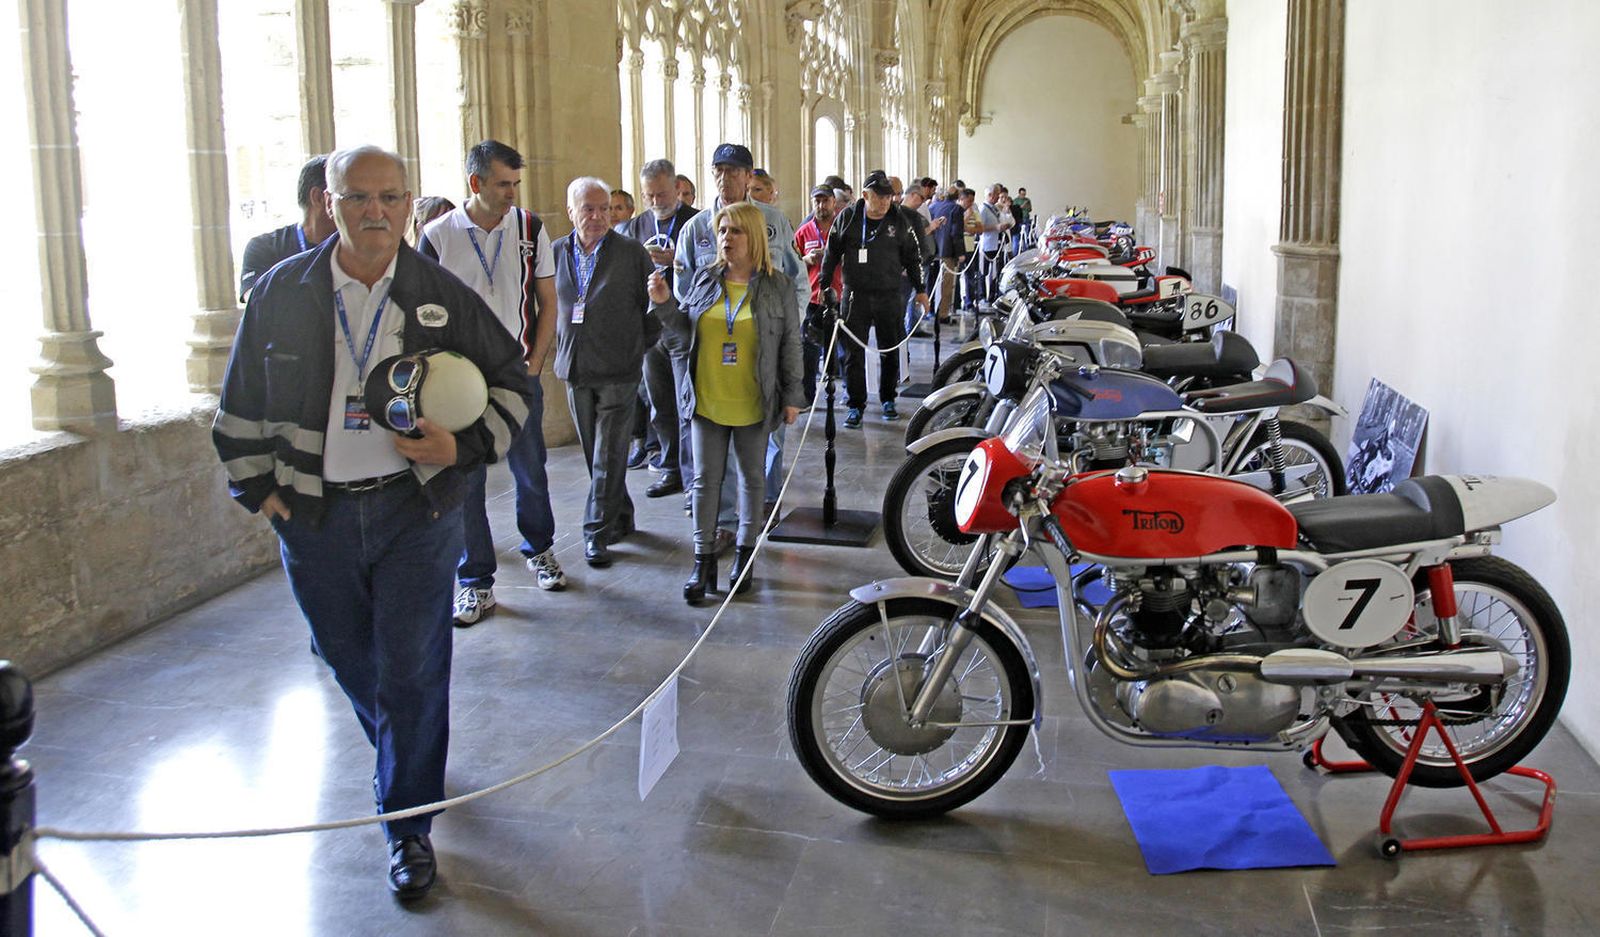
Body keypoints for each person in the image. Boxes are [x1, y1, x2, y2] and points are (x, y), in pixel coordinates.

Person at [212, 145, 533, 900]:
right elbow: (236, 409)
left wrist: (465, 446)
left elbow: (512, 381)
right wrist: (260, 493)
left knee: (415, 668)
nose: (376, 211)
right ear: (330, 201)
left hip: (413, 510)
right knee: (350, 659)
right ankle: (406, 751)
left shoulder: (438, 292)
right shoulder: (281, 291)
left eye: (391, 196)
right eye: (359, 197)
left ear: (409, 199)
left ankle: (408, 827)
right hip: (313, 516)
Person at [419, 140, 566, 627]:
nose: (511, 193)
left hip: (517, 376)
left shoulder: (529, 228)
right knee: (466, 482)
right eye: (503, 184)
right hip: (459, 386)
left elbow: (548, 300)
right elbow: (421, 314)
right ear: (476, 183)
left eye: (515, 184)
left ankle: (540, 549)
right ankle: (476, 581)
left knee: (531, 470)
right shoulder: (438, 236)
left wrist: (534, 363)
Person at [648, 201, 803, 603]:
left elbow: (790, 344)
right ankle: (703, 561)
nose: (726, 239)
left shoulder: (778, 286)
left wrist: (793, 396)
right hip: (707, 396)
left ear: (753, 237)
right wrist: (665, 304)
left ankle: (744, 557)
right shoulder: (704, 279)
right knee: (704, 481)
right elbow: (683, 338)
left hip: (754, 397)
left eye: (735, 231)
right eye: (721, 231)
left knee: (751, 479)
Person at [552, 178, 657, 567]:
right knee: (594, 453)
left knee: (609, 453)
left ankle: (595, 532)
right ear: (571, 212)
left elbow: (654, 309)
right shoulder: (555, 252)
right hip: (575, 367)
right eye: (588, 209)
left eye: (604, 209)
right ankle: (622, 515)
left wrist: (634, 351)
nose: (597, 217)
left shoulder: (630, 253)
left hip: (619, 370)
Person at [620, 158, 701, 501]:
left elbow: (711, 270)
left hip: (684, 322)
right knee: (659, 400)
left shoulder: (696, 223)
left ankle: (693, 474)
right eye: (649, 195)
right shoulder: (634, 227)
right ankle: (669, 466)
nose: (656, 201)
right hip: (650, 326)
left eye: (662, 193)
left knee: (688, 401)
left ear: (677, 190)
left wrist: (677, 263)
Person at [820, 170, 928, 427]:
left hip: (889, 294)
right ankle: (855, 403)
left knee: (889, 349)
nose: (884, 202)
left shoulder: (899, 220)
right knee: (853, 352)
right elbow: (831, 253)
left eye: (888, 197)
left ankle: (888, 398)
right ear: (866, 195)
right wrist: (825, 286)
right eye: (878, 197)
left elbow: (913, 257)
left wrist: (921, 290)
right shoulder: (848, 218)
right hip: (855, 295)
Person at [238, 155, 336, 302]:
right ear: (320, 198)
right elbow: (256, 302)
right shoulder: (264, 247)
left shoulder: (357, 248)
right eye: (353, 196)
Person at [793, 184, 843, 403]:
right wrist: (807, 259)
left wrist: (833, 256)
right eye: (817, 201)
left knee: (842, 348)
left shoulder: (842, 228)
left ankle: (847, 396)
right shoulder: (803, 232)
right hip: (812, 298)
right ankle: (807, 396)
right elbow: (792, 263)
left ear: (833, 202)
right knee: (809, 350)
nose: (821, 206)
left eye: (825, 201)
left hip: (839, 295)